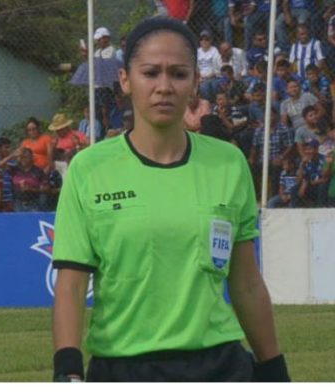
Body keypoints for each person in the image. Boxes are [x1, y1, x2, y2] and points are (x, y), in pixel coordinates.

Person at [51, 17, 289, 382]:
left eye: (178, 74)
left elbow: (246, 282)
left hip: (222, 367)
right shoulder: (88, 169)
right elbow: (71, 283)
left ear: (195, 82)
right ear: (125, 80)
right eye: (151, 73)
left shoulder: (228, 162)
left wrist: (273, 368)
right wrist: (67, 371)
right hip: (122, 369)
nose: (164, 86)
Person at [9, 148, 47, 213]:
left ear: (31, 157)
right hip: (18, 202)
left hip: (34, 202)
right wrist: (12, 156)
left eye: (25, 157)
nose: (23, 159)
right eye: (21, 157)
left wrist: (31, 189)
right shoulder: (15, 169)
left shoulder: (38, 171)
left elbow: (46, 188)